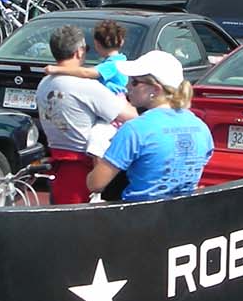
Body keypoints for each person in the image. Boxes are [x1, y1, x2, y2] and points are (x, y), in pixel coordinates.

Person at [87, 51, 213, 202]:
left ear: (156, 89)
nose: (127, 87)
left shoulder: (135, 129)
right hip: (182, 216)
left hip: (137, 216)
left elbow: (95, 184)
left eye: (134, 82)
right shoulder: (201, 128)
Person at [37, 25, 138, 205]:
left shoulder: (44, 84)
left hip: (58, 164)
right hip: (84, 169)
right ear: (79, 51)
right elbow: (130, 115)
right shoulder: (86, 86)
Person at [45, 17, 129, 92]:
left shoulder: (115, 64)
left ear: (97, 44)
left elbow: (86, 73)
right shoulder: (118, 61)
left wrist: (57, 69)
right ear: (122, 42)